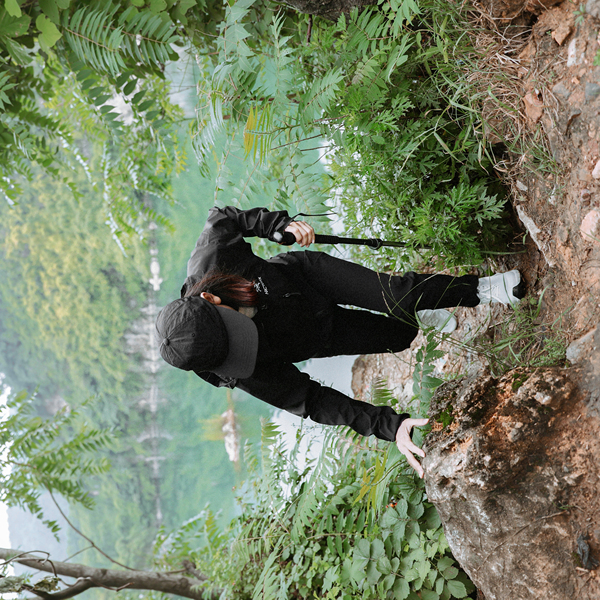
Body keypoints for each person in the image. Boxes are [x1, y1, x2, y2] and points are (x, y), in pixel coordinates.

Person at [156, 206, 524, 478]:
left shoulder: (212, 258)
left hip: (308, 279)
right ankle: (418, 314)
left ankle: (484, 289)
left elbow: (224, 216)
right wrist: (390, 426)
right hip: (316, 336)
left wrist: (277, 225)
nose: (242, 342)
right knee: (400, 336)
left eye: (235, 330)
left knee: (398, 295)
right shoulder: (236, 369)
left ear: (210, 298)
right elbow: (311, 401)